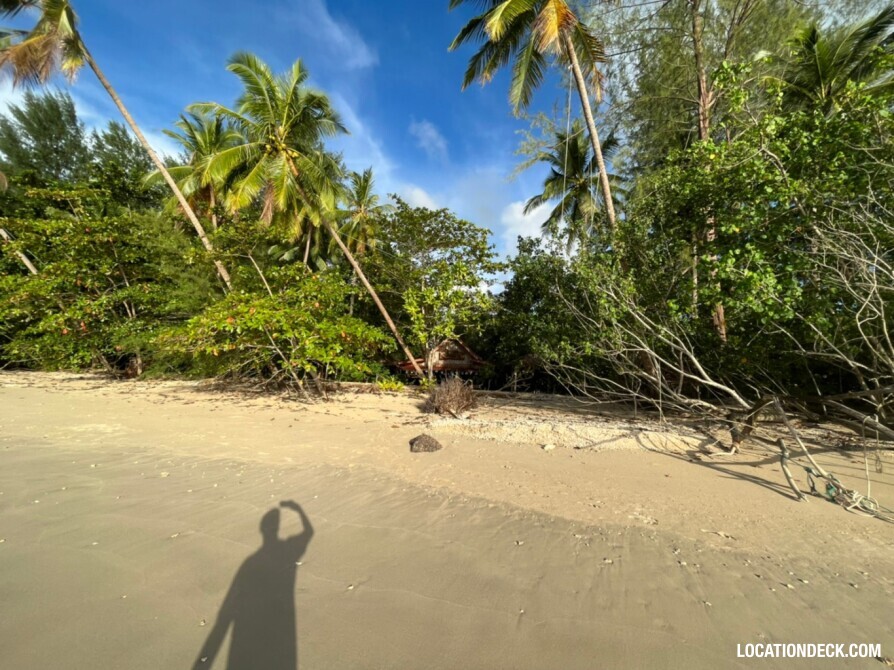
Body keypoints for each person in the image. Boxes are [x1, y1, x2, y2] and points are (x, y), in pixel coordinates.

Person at [193, 501, 313, 669]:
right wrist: (298, 510)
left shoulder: (250, 562)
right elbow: (309, 532)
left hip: (248, 633)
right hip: (281, 626)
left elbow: (225, 614)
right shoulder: (289, 551)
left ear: (262, 530)